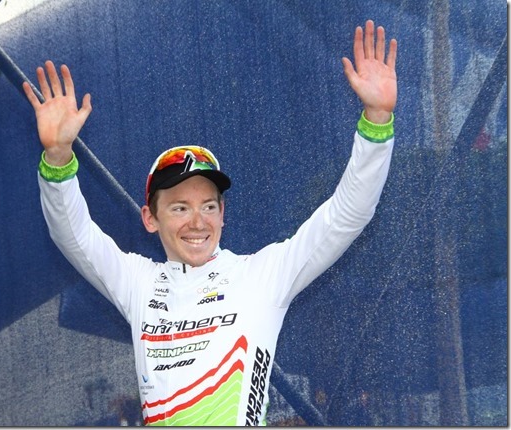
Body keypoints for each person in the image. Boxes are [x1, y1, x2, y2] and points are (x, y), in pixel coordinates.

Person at [22, 19, 397, 426]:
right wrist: (57, 157)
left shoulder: (260, 276)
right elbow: (73, 236)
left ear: (223, 214)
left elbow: (347, 215)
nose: (197, 221)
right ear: (150, 218)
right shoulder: (138, 283)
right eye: (180, 208)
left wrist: (377, 120)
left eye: (208, 206)